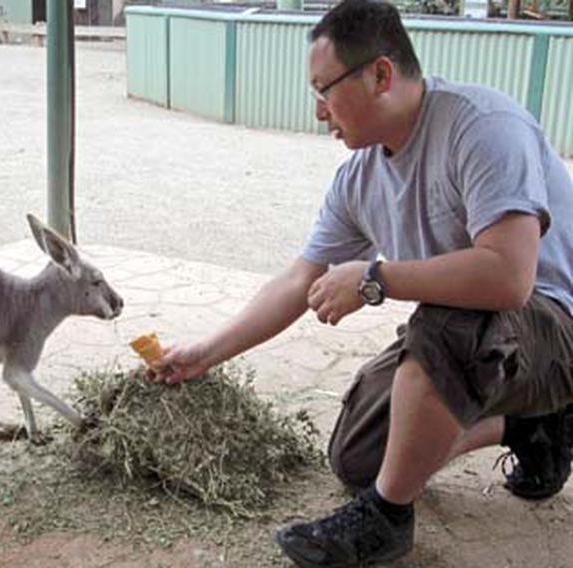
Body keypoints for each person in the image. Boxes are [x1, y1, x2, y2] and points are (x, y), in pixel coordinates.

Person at [154, 0, 573, 566]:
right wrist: (205, 352)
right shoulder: (358, 178)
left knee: (446, 317)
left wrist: (376, 278)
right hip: (484, 338)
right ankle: (530, 426)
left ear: (380, 74)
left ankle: (385, 520)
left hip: (555, 327)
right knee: (359, 458)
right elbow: (300, 279)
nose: (320, 111)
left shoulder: (482, 127)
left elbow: (507, 277)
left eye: (324, 89)